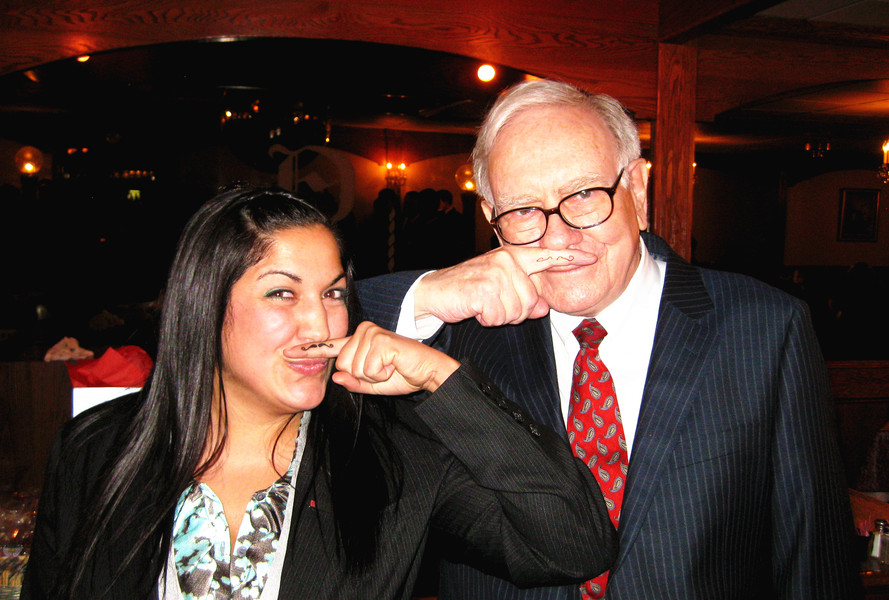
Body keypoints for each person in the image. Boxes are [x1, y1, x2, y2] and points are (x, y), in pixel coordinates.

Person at [359, 80, 861, 599]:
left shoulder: (765, 329)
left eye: (583, 195)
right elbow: (314, 339)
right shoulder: (449, 336)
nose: (559, 237)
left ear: (637, 190)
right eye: (524, 210)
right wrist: (429, 293)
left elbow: (814, 553)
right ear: (492, 218)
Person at [21, 187, 616, 599]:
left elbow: (574, 545)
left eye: (332, 294)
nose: (320, 324)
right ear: (206, 305)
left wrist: (442, 379)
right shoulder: (96, 448)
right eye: (282, 293)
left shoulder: (391, 461)